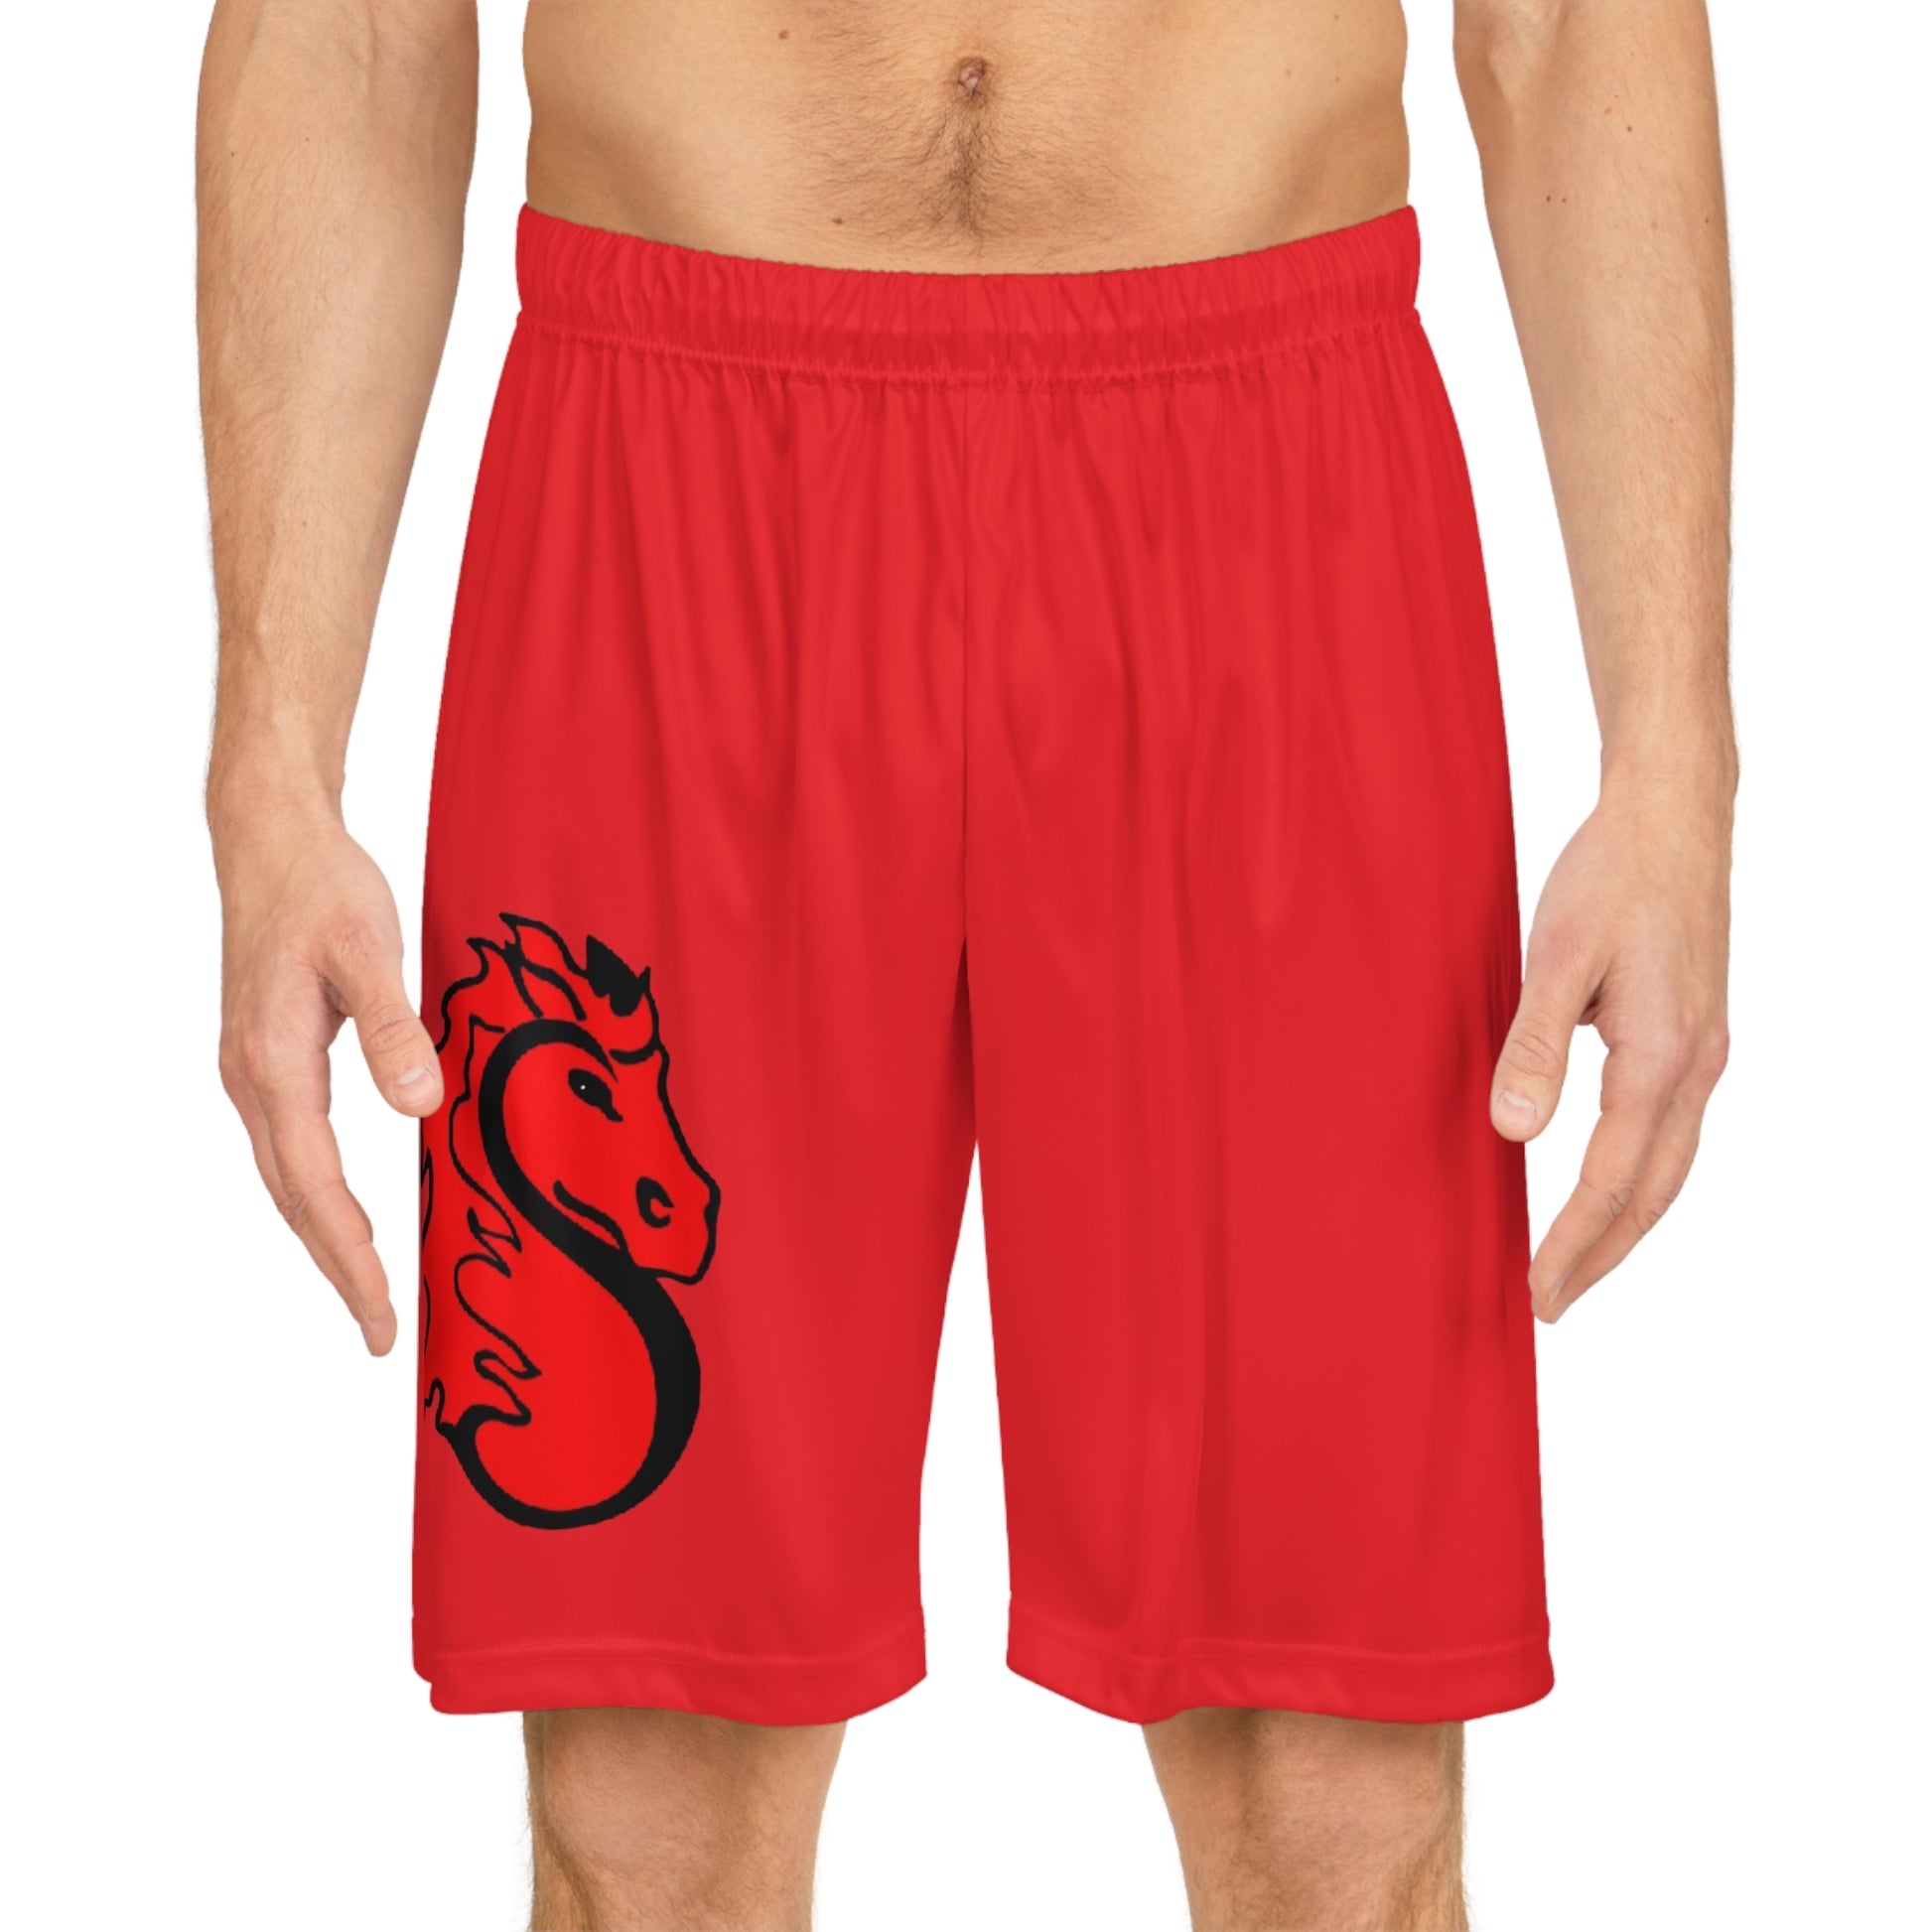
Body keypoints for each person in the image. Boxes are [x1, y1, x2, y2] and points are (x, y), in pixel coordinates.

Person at [198, 4, 1733, 1927]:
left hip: (1272, 495)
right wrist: (272, 762)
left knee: (1331, 1779)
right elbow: (351, 29)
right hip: (662, 494)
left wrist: (1672, 755)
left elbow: (1569, 23)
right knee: (646, 1790)